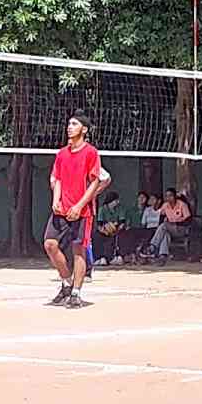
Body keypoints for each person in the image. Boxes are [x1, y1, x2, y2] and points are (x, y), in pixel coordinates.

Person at [43, 110, 101, 309]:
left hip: (82, 211)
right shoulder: (61, 153)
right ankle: (67, 282)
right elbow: (57, 178)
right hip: (62, 210)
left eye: (74, 124)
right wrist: (55, 200)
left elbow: (95, 182)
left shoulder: (91, 152)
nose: (69, 127)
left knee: (78, 250)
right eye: (69, 124)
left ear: (84, 129)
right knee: (50, 244)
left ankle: (76, 293)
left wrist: (79, 205)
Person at [141, 188, 191, 266]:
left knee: (164, 225)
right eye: (167, 196)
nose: (168, 198)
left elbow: (188, 220)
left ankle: (152, 247)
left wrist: (176, 223)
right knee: (165, 233)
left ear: (175, 196)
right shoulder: (165, 205)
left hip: (181, 228)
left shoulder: (182, 204)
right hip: (169, 228)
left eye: (170, 196)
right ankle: (162, 256)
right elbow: (161, 217)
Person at [92, 192, 126, 266]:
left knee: (122, 235)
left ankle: (114, 257)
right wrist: (105, 231)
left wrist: (116, 230)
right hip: (104, 230)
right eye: (116, 200)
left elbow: (122, 222)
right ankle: (99, 258)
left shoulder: (119, 208)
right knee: (97, 235)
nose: (118, 202)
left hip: (116, 230)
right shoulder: (102, 209)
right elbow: (99, 224)